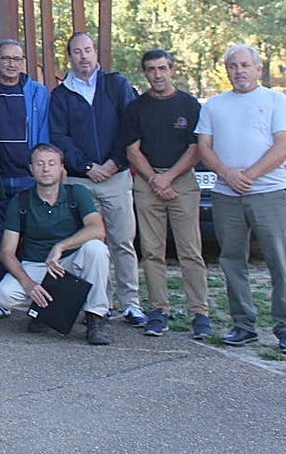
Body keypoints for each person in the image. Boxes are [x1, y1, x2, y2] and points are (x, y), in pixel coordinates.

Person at [50, 32, 143, 326]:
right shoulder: (61, 95)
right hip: (81, 181)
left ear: (95, 52)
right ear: (69, 57)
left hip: (116, 177)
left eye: (88, 50)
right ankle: (99, 305)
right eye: (77, 52)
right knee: (89, 245)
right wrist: (88, 166)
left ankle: (131, 303)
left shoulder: (116, 85)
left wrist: (115, 163)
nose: (84, 57)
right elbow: (59, 137)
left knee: (122, 241)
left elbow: (130, 127)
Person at [196, 45, 286, 350]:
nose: (239, 71)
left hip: (268, 192)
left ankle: (283, 325)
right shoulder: (214, 105)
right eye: (233, 66)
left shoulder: (275, 101)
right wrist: (226, 173)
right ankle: (243, 324)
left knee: (279, 260)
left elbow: (282, 145)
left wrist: (250, 175)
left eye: (245, 65)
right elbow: (204, 147)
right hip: (226, 195)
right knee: (232, 260)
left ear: (258, 69)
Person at [123, 48, 210, 338]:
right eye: (151, 69)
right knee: (152, 251)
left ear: (171, 70)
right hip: (148, 183)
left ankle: (200, 312)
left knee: (190, 251)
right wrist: (154, 179)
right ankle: (158, 310)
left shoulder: (189, 104)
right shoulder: (136, 107)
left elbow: (195, 148)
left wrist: (169, 178)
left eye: (162, 68)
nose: (157, 74)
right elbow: (132, 149)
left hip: (182, 182)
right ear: (145, 73)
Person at [0, 144, 112, 345]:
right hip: (36, 264)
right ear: (31, 169)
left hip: (70, 262)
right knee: (3, 294)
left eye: (51, 163)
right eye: (40, 164)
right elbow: (6, 252)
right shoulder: (21, 201)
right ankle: (44, 310)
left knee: (97, 249)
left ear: (62, 168)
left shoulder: (77, 193)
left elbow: (97, 229)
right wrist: (28, 284)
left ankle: (96, 316)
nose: (46, 169)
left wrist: (61, 247)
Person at [0, 40, 50, 322]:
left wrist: (43, 172)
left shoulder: (37, 92)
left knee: (33, 242)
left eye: (16, 59)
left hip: (28, 178)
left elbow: (44, 134)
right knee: (1, 241)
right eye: (6, 59)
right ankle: (2, 301)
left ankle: (38, 302)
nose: (11, 64)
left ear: (23, 62)